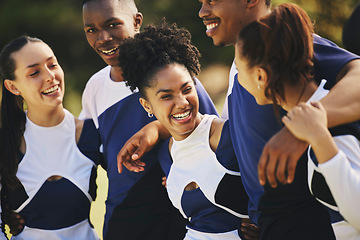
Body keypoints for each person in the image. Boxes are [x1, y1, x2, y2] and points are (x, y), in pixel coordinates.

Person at [117, 0, 360, 239]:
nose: (202, 11)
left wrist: (301, 130)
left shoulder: (286, 42)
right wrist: (159, 128)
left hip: (311, 222)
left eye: (211, 0)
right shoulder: (242, 67)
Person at [81, 0, 218, 239]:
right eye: (91, 29)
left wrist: (157, 130)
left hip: (179, 215)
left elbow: (212, 137)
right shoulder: (95, 87)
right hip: (124, 219)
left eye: (113, 24)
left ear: (136, 22)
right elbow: (90, 158)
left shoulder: (174, 78)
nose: (102, 38)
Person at [117, 22, 260, 240]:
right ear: (147, 106)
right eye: (166, 96)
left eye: (187, 89)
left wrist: (264, 220)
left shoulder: (228, 136)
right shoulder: (165, 153)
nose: (182, 102)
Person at [235, 3, 360, 239]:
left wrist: (319, 138)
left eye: (240, 70)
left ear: (261, 76)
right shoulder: (319, 111)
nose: (239, 80)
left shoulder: (323, 124)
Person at [0, 36, 101, 239]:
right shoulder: (5, 144)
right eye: (34, 72)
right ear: (13, 87)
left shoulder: (93, 133)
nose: (50, 76)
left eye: (52, 64)